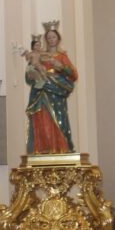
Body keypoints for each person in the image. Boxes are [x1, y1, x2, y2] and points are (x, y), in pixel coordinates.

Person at [26, 20, 78, 154]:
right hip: (41, 93)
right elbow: (29, 75)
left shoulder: (62, 56)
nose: (51, 40)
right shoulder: (40, 55)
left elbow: (73, 74)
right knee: (42, 120)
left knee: (59, 121)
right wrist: (32, 74)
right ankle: (43, 149)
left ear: (58, 38)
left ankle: (61, 149)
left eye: (53, 37)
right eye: (48, 37)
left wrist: (58, 65)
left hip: (57, 93)